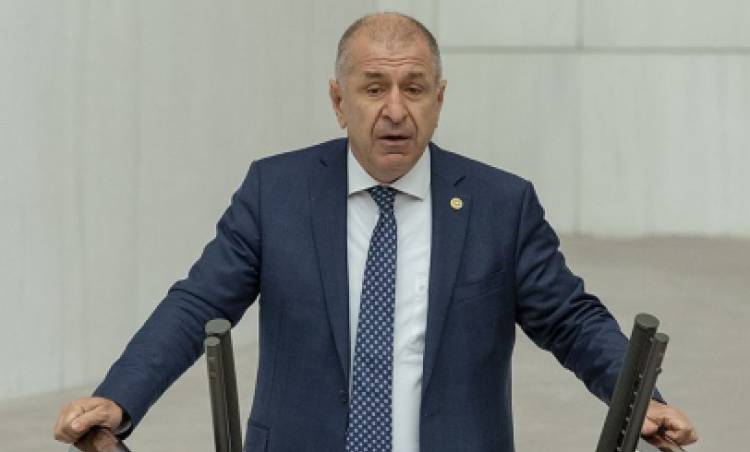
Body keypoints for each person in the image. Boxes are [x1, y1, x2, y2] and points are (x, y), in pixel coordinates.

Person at [54, 12, 697, 452]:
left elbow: (571, 320)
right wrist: (119, 399)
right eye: (373, 88)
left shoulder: (501, 205)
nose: (395, 109)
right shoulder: (277, 192)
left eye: (414, 88)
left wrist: (641, 401)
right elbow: (198, 304)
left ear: (439, 100)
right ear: (339, 101)